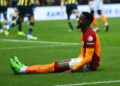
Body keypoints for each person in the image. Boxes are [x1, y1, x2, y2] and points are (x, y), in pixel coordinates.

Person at [10, 12, 101, 74]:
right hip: (84, 61)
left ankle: (23, 70)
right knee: (59, 64)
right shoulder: (84, 33)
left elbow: (88, 58)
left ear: (87, 23)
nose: (78, 20)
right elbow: (83, 53)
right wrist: (74, 61)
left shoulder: (89, 36)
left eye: (81, 19)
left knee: (53, 66)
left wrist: (72, 70)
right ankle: (25, 67)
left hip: (89, 66)